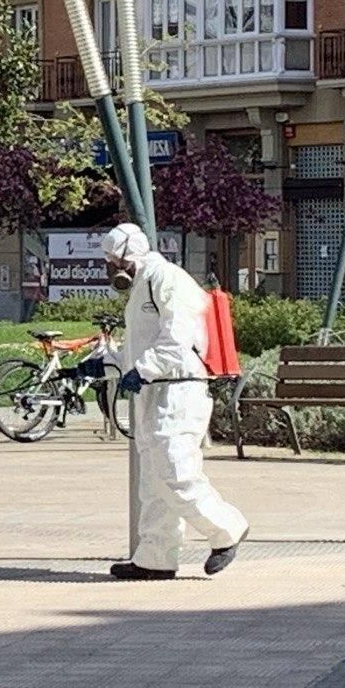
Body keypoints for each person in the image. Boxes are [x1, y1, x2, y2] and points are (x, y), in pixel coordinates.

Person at [103, 223, 249, 580]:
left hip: (180, 389)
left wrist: (143, 368)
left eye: (114, 260)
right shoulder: (141, 286)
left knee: (175, 470)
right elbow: (140, 350)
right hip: (156, 389)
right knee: (153, 480)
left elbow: (177, 339)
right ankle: (155, 556)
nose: (111, 268)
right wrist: (106, 363)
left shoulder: (168, 279)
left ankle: (226, 528)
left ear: (130, 256)